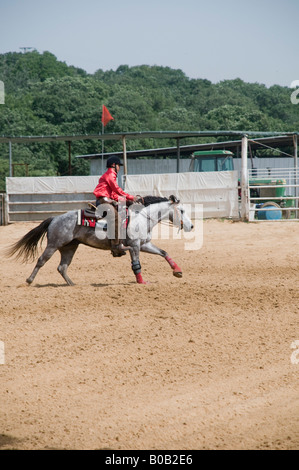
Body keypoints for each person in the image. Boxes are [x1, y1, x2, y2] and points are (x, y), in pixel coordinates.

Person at [93, 156, 138, 257]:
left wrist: (126, 200)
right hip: (103, 200)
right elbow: (117, 190)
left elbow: (113, 194)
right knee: (116, 217)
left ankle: (120, 240)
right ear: (114, 165)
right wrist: (130, 197)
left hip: (106, 199)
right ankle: (115, 245)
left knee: (122, 213)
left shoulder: (110, 175)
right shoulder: (110, 175)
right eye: (119, 165)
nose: (119, 168)